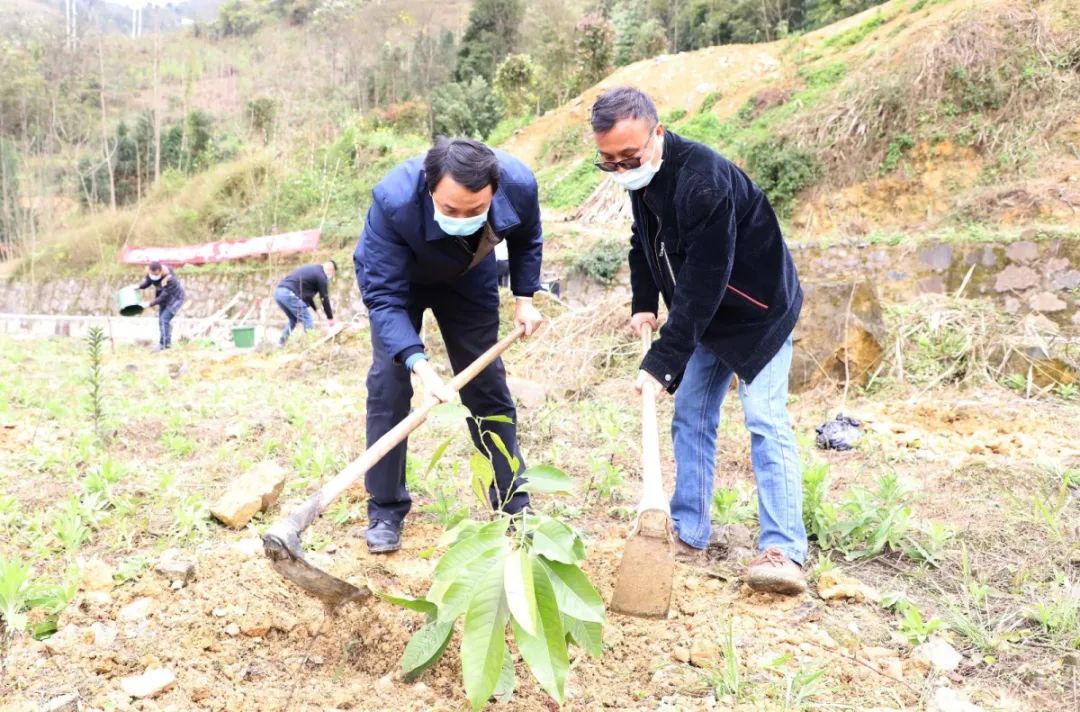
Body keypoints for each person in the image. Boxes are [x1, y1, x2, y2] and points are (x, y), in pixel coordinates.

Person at [589, 87, 808, 595]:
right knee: (690, 414)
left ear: (658, 133)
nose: (622, 170)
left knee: (765, 419)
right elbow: (642, 243)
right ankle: (688, 531)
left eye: (629, 158)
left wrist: (663, 359)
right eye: (609, 162)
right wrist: (643, 301)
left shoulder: (703, 182)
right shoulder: (639, 178)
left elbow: (706, 279)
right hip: (707, 315)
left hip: (757, 312)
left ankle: (783, 549)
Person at [354, 137, 544, 554]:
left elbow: (527, 236)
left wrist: (525, 299)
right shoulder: (393, 200)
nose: (463, 216)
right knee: (389, 386)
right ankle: (385, 508)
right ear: (428, 189)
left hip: (468, 272)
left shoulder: (519, 184)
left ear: (493, 191)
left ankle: (514, 501)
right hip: (399, 281)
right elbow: (383, 298)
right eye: (450, 210)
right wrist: (421, 367)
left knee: (487, 388)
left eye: (475, 211)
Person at [274, 261, 337, 345]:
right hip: (289, 293)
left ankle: (281, 343)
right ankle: (311, 344)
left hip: (279, 293)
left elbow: (307, 296)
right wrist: (330, 318)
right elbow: (324, 298)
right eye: (332, 274)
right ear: (331, 270)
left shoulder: (312, 270)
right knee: (307, 319)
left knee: (293, 319)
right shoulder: (321, 276)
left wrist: (316, 309)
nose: (330, 277)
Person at [133, 261, 185, 352]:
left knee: (164, 319)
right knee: (161, 320)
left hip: (175, 298)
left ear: (160, 271)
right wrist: (138, 286)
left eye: (156, 274)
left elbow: (164, 296)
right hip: (164, 298)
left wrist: (149, 304)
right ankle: (163, 343)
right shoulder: (152, 274)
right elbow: (148, 282)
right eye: (152, 274)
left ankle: (166, 346)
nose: (154, 276)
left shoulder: (170, 279)